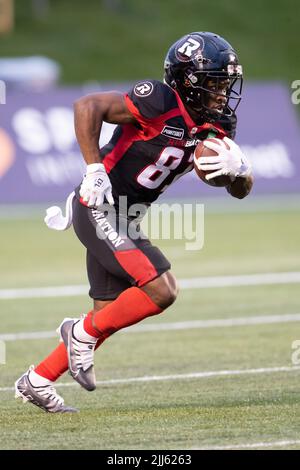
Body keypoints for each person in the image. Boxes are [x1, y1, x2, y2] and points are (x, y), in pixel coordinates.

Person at [15, 32, 253, 412]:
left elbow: (240, 190)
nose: (223, 93)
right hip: (99, 205)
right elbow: (87, 105)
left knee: (104, 317)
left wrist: (239, 172)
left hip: (127, 216)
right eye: (214, 83)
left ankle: (37, 379)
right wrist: (94, 168)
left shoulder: (218, 123)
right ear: (188, 82)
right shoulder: (158, 100)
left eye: (226, 84)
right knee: (162, 290)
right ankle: (76, 333)